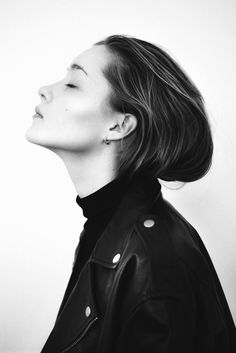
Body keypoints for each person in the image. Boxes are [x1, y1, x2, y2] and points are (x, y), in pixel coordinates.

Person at [25, 34, 236, 352]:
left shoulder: (153, 265)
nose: (45, 89)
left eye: (73, 84)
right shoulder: (107, 229)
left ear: (119, 126)